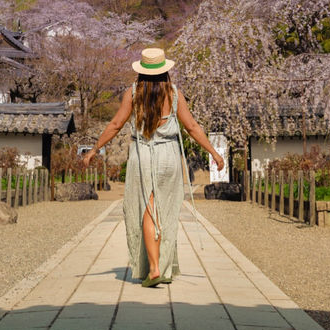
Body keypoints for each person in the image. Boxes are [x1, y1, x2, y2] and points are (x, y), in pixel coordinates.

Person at [82, 47, 224, 287]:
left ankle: (155, 268)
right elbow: (192, 127)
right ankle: (163, 265)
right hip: (169, 155)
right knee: (165, 210)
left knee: (148, 209)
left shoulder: (134, 93)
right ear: (164, 70)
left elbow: (116, 124)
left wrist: (95, 149)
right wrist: (214, 153)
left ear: (142, 71)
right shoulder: (174, 94)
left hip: (143, 154)